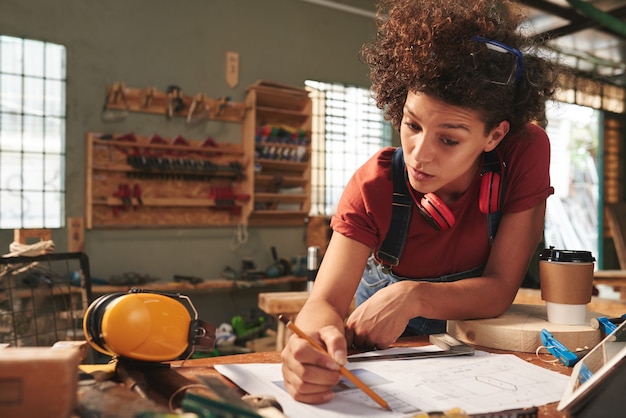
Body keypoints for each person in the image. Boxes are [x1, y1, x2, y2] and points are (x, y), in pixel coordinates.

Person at [281, 0, 560, 405]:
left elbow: (500, 288)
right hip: (384, 370)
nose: (418, 154)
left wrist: (413, 295)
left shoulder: (523, 153)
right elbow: (323, 302)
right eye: (412, 124)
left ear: (494, 136)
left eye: (449, 139)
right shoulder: (373, 186)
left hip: (478, 369)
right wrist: (309, 347)